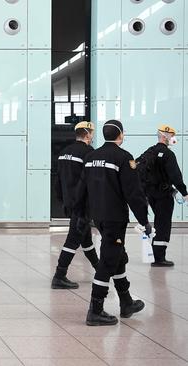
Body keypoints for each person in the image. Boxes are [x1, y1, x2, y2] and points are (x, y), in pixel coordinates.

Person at [76, 120, 149, 326]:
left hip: (98, 216)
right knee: (108, 260)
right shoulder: (123, 158)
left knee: (118, 256)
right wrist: (144, 220)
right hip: (115, 217)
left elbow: (82, 189)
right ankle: (95, 310)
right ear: (121, 135)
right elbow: (134, 194)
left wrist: (80, 215)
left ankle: (126, 302)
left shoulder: (91, 157)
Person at [51, 121, 99, 289]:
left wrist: (63, 200)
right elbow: (92, 182)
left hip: (70, 203)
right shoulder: (89, 153)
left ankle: (99, 270)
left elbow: (58, 180)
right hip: (82, 204)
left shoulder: (64, 153)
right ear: (87, 134)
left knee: (85, 240)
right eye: (91, 133)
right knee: (72, 240)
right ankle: (59, 275)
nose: (92, 136)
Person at [137, 125, 187, 267]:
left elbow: (135, 165)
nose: (174, 138)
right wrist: (184, 192)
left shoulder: (150, 151)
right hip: (164, 194)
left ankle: (156, 254)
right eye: (172, 135)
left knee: (159, 222)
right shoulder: (168, 154)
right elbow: (175, 176)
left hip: (150, 194)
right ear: (165, 136)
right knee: (163, 224)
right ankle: (159, 258)